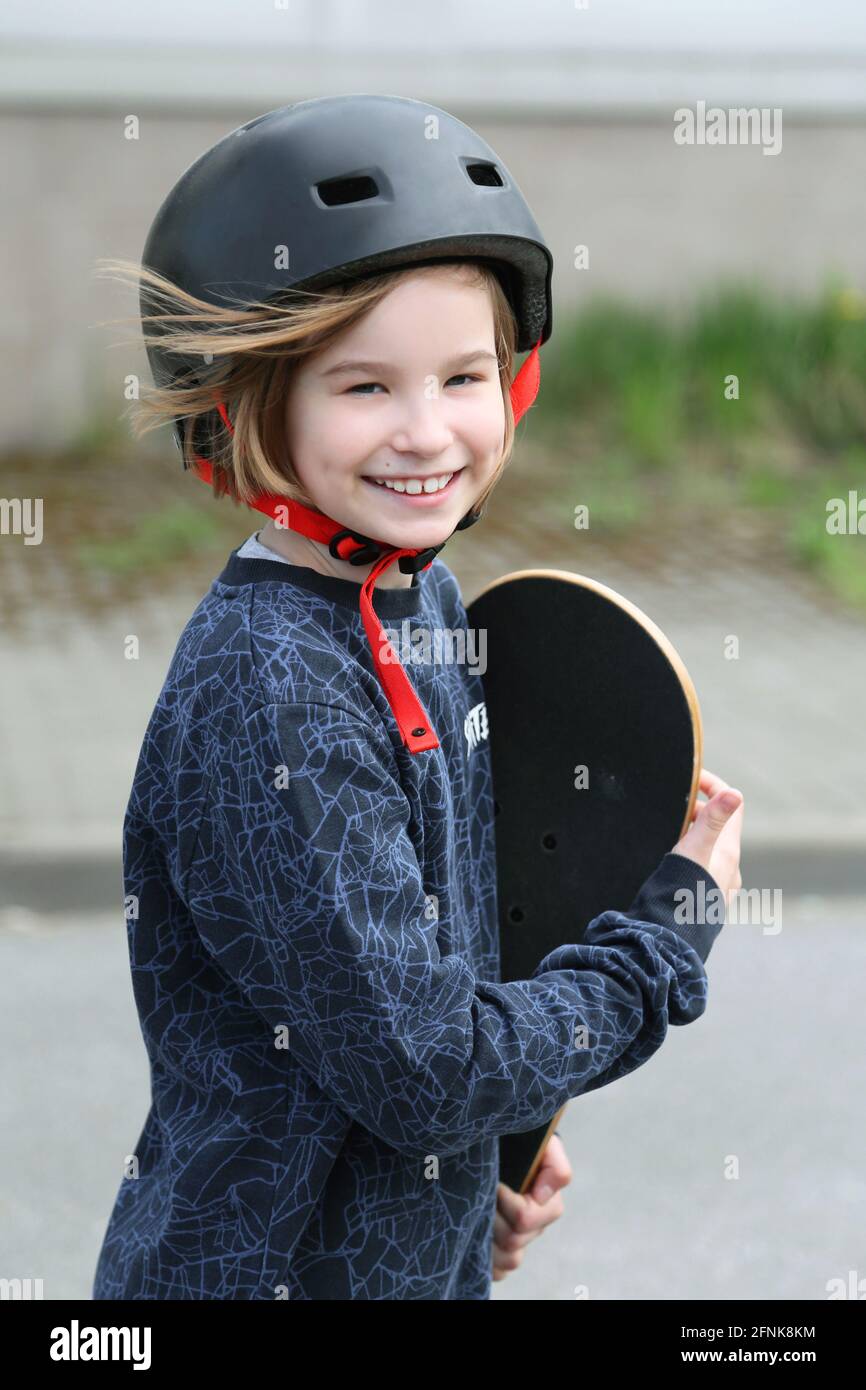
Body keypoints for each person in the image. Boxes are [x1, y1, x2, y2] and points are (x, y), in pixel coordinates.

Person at [91, 94, 743, 1300]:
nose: (427, 431)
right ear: (246, 401)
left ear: (520, 378)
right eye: (364, 388)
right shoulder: (271, 691)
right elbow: (425, 1068)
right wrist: (666, 935)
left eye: (464, 374)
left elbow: (433, 984)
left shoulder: (421, 603)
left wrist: (471, 1181)